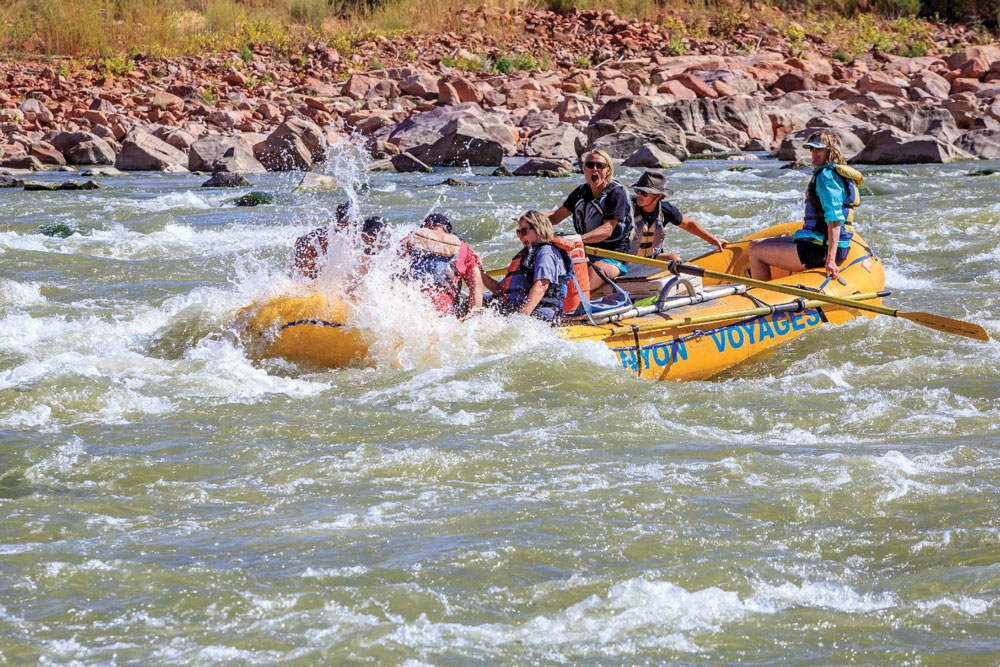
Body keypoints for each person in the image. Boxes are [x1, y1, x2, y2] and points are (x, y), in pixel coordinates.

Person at [748, 132, 862, 281]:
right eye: (812, 149)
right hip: (821, 244)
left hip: (820, 251)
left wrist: (831, 261)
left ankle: (759, 298)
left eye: (818, 149)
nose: (814, 153)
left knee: (756, 251)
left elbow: (834, 220)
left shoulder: (826, 176)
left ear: (831, 151)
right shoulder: (836, 173)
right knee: (755, 244)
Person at [547, 149, 633, 292]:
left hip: (613, 256)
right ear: (584, 169)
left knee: (580, 287)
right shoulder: (581, 192)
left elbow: (607, 230)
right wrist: (532, 218)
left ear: (607, 170)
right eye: (590, 164)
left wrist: (577, 240)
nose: (595, 169)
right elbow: (556, 217)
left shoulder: (616, 193)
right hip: (585, 253)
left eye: (600, 166)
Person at [481, 211, 571, 322]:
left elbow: (541, 286)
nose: (520, 236)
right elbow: (498, 289)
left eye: (524, 231)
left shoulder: (546, 252)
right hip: (517, 307)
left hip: (541, 311)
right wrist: (478, 271)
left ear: (538, 229)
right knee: (478, 301)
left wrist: (521, 318)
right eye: (518, 232)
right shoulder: (528, 254)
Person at [629, 171, 728, 268]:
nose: (639, 195)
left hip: (652, 257)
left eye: (644, 193)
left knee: (675, 260)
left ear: (658, 196)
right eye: (637, 191)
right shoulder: (626, 207)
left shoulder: (666, 210)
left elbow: (688, 224)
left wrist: (713, 240)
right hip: (626, 258)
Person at [401, 213, 484, 315]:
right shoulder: (463, 248)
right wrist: (473, 317)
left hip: (410, 307)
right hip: (443, 312)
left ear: (429, 223)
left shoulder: (409, 240)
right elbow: (476, 285)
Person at [292, 200, 354, 279]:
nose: (355, 226)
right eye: (352, 223)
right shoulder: (312, 243)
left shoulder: (352, 237)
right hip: (302, 277)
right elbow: (301, 278)